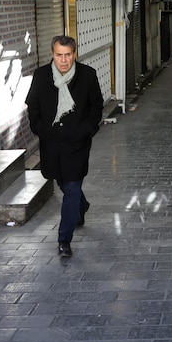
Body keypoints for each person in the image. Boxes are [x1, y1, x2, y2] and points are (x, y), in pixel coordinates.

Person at [25, 35, 103, 257]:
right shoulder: (41, 76)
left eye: (68, 55)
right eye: (59, 55)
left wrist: (86, 130)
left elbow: (96, 107)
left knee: (70, 186)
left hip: (77, 144)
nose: (63, 60)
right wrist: (41, 129)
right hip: (52, 144)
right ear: (53, 54)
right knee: (62, 181)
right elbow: (33, 106)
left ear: (74, 54)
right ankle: (81, 204)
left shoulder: (87, 75)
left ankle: (64, 240)